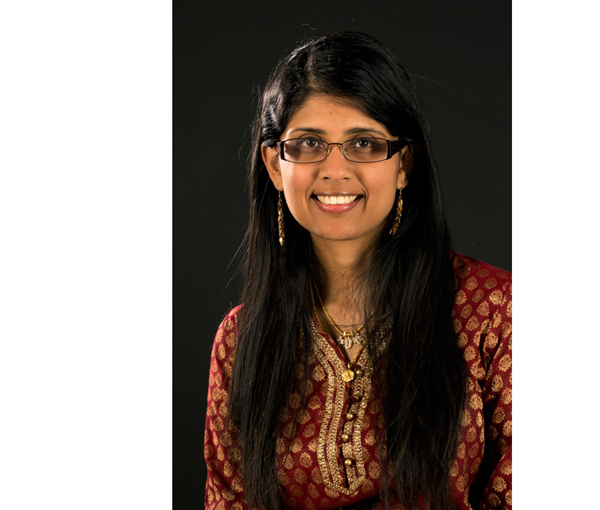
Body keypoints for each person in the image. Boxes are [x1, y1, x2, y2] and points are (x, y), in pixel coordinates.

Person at [204, 32, 511, 510]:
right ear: (274, 165)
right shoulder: (241, 339)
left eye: (364, 144)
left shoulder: (492, 313)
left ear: (404, 164)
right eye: (309, 144)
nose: (334, 170)